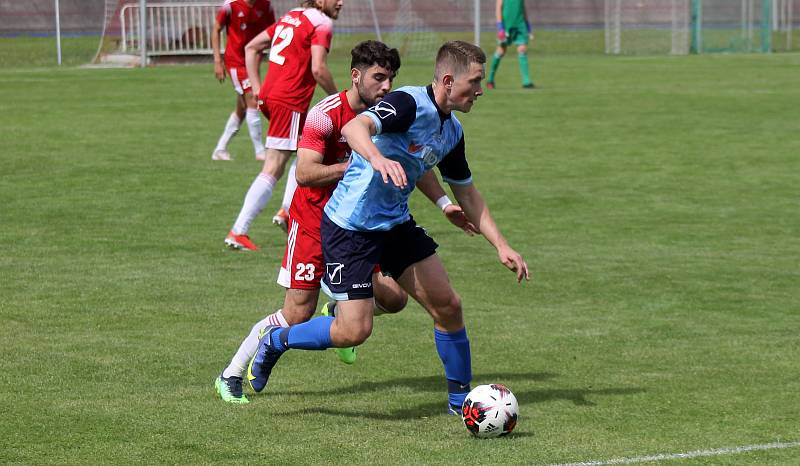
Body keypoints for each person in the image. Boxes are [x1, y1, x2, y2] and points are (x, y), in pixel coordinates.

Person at [247, 41, 529, 414]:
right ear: (448, 80)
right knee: (355, 331)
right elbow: (355, 126)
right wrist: (378, 158)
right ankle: (277, 341)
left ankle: (461, 403)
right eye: (474, 82)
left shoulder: (452, 131)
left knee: (448, 305)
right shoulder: (408, 103)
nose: (479, 90)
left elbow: (469, 195)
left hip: (394, 224)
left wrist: (501, 245)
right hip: (350, 227)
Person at [224, 0, 343, 251]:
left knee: (309, 151)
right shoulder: (321, 22)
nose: (341, 3)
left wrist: (258, 87)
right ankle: (239, 230)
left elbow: (252, 47)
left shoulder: (293, 16)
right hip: (290, 101)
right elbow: (319, 69)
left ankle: (287, 212)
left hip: (273, 97)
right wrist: (339, 101)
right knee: (275, 166)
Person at [211, 0, 276, 161]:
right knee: (253, 101)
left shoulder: (265, 5)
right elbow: (216, 29)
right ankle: (260, 151)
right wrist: (217, 61)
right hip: (236, 62)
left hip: (253, 62)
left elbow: (273, 31)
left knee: (242, 108)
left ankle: (220, 149)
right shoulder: (230, 5)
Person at [486, 0, 535, 89]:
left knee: (522, 49)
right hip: (506, 25)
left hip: (520, 25)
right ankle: (490, 79)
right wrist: (500, 27)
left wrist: (528, 26)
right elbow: (498, 9)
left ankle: (526, 81)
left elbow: (523, 8)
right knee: (501, 50)